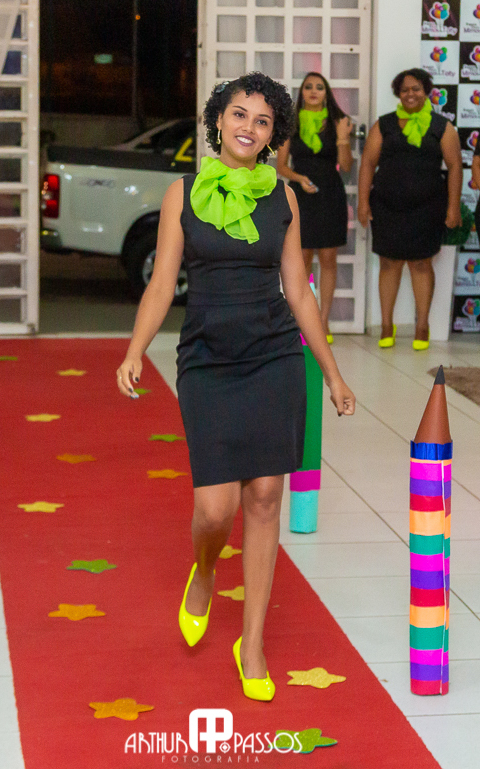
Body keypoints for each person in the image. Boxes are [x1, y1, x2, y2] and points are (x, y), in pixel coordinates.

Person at [117, 73, 355, 703]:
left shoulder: (284, 197)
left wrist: (331, 371)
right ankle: (204, 572)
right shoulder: (183, 192)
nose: (249, 127)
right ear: (218, 120)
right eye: (239, 114)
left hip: (273, 353)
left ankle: (251, 644)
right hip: (207, 358)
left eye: (262, 120)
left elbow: (298, 289)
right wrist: (136, 348)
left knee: (267, 495)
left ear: (274, 135)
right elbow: (162, 284)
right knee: (215, 509)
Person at [358, 68, 462, 350]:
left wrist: (453, 207)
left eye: (416, 88)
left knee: (421, 264)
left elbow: (455, 167)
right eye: (405, 90)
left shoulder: (441, 126)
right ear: (398, 93)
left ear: (426, 91)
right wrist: (363, 202)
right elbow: (368, 163)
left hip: (427, 208)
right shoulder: (385, 124)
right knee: (389, 263)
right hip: (387, 206)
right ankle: (386, 325)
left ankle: (422, 326)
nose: (410, 94)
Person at [276, 72, 353, 344]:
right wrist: (299, 179)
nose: (313, 91)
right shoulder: (291, 124)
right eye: (308, 86)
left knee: (329, 258)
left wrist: (342, 138)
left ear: (326, 93)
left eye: (319, 87)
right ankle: (302, 320)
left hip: (330, 194)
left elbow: (346, 166)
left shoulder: (338, 122)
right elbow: (281, 166)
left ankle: (322, 322)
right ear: (302, 93)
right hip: (301, 195)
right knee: (303, 258)